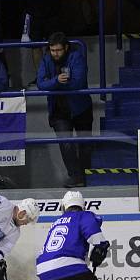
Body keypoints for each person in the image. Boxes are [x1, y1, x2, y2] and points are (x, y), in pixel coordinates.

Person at [37, 31, 92, 188]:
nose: (55, 54)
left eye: (58, 50)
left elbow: (78, 82)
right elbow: (41, 83)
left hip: (81, 108)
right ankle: (75, 176)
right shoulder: (46, 59)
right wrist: (57, 80)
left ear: (66, 48)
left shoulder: (76, 57)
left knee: (85, 144)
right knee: (65, 143)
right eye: (52, 50)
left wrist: (54, 84)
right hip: (59, 111)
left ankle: (86, 175)